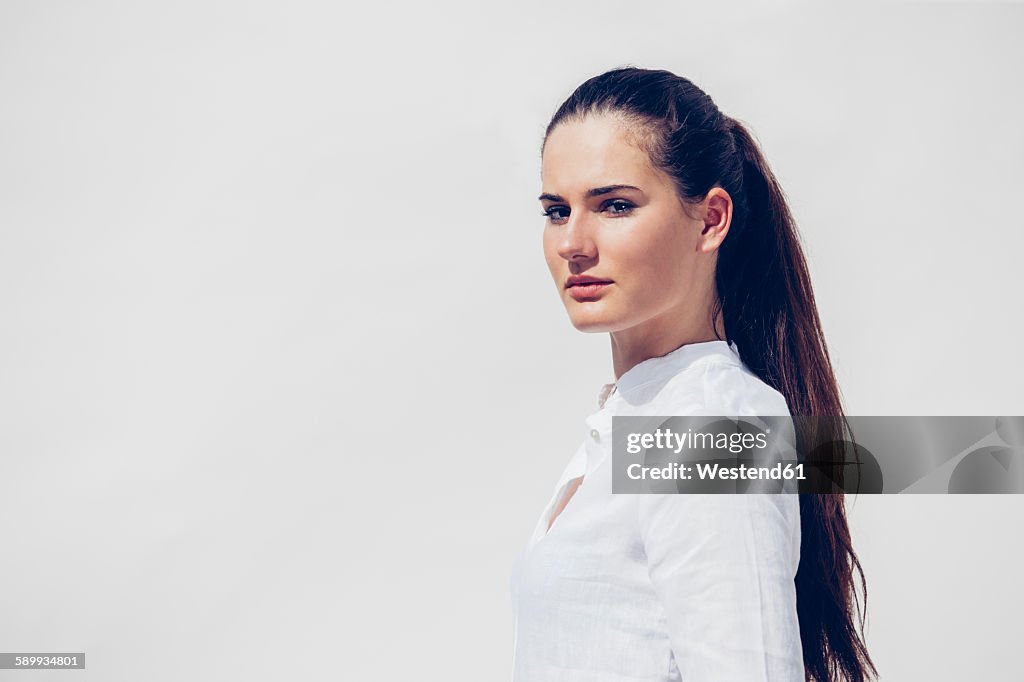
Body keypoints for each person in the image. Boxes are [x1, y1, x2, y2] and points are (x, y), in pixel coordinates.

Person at [509, 67, 877, 682]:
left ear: (710, 220)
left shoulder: (713, 422)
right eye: (555, 210)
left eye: (615, 205)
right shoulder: (637, 418)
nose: (573, 241)